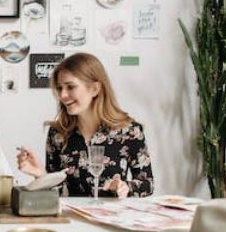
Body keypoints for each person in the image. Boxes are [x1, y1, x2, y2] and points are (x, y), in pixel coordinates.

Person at [17, 53, 153, 198]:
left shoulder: (130, 131)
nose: (62, 95)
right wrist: (41, 175)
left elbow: (147, 184)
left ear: (95, 89)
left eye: (70, 87)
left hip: (109, 212)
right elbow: (55, 194)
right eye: (60, 88)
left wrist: (125, 187)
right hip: (69, 213)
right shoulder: (57, 133)